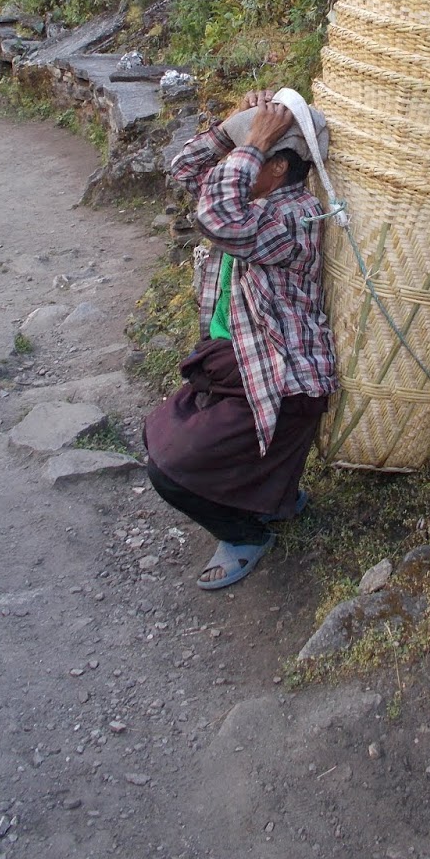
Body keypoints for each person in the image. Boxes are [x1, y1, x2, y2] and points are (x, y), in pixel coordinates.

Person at [143, 89, 338, 590]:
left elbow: (217, 217)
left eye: (249, 156)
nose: (233, 161)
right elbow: (183, 172)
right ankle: (275, 494)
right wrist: (233, 128)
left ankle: (246, 534)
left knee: (169, 469)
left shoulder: (294, 218)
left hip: (278, 380)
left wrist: (250, 144)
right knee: (167, 431)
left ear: (275, 169)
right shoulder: (255, 195)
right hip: (239, 365)